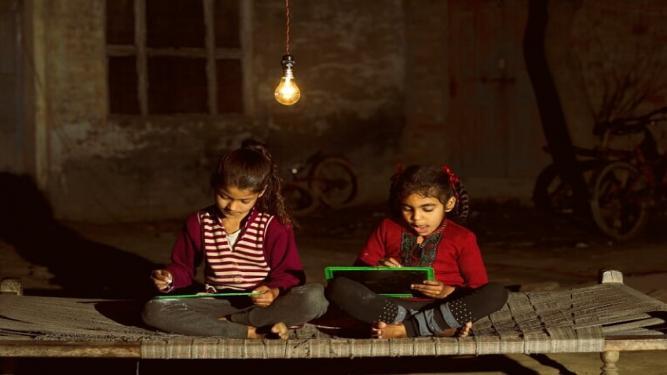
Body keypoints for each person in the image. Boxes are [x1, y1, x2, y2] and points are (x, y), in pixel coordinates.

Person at [142, 140, 328, 339]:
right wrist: (169, 278)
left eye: (244, 201)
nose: (232, 207)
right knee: (154, 309)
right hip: (217, 301)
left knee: (315, 298)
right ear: (215, 185)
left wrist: (273, 291)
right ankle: (249, 331)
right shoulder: (198, 222)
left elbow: (291, 276)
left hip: (260, 304)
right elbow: (183, 268)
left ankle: (232, 322)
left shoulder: (274, 226)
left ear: (262, 191)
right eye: (224, 196)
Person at [326, 164, 508, 338]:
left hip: (444, 306)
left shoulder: (463, 237)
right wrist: (377, 272)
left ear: (449, 203)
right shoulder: (387, 227)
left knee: (497, 293)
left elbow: (477, 287)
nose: (417, 218)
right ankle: (433, 326)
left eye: (427, 209)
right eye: (407, 209)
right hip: (393, 305)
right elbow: (356, 276)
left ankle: (405, 329)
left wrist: (448, 291)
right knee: (338, 287)